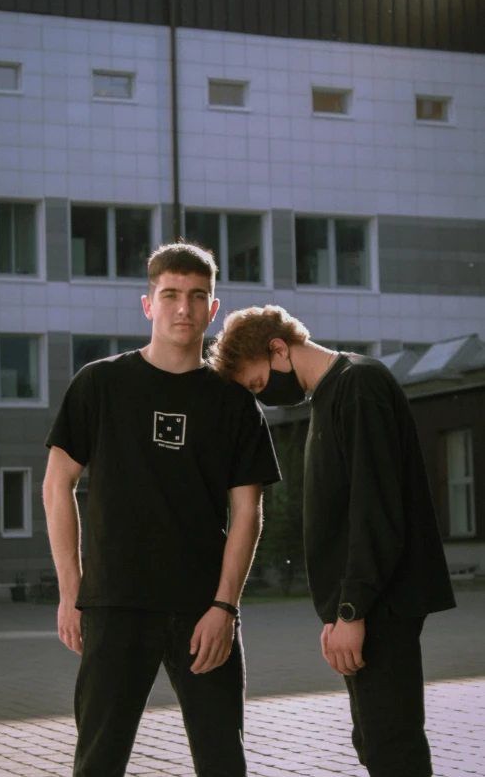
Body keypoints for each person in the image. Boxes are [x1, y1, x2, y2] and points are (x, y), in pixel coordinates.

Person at [42, 245, 281, 777]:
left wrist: (225, 607)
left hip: (203, 610)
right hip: (115, 604)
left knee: (223, 761)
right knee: (98, 762)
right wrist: (70, 590)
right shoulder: (99, 385)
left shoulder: (234, 402)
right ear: (147, 303)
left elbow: (247, 513)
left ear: (213, 309)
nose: (183, 308)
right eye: (170, 295)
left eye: (197, 297)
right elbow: (57, 486)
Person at [208, 304, 456, 777]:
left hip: (382, 604)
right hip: (363, 604)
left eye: (259, 384)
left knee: (392, 743)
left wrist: (351, 610)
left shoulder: (359, 385)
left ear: (279, 348)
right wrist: (338, 610)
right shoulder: (326, 397)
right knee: (372, 739)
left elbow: (375, 507)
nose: (263, 398)